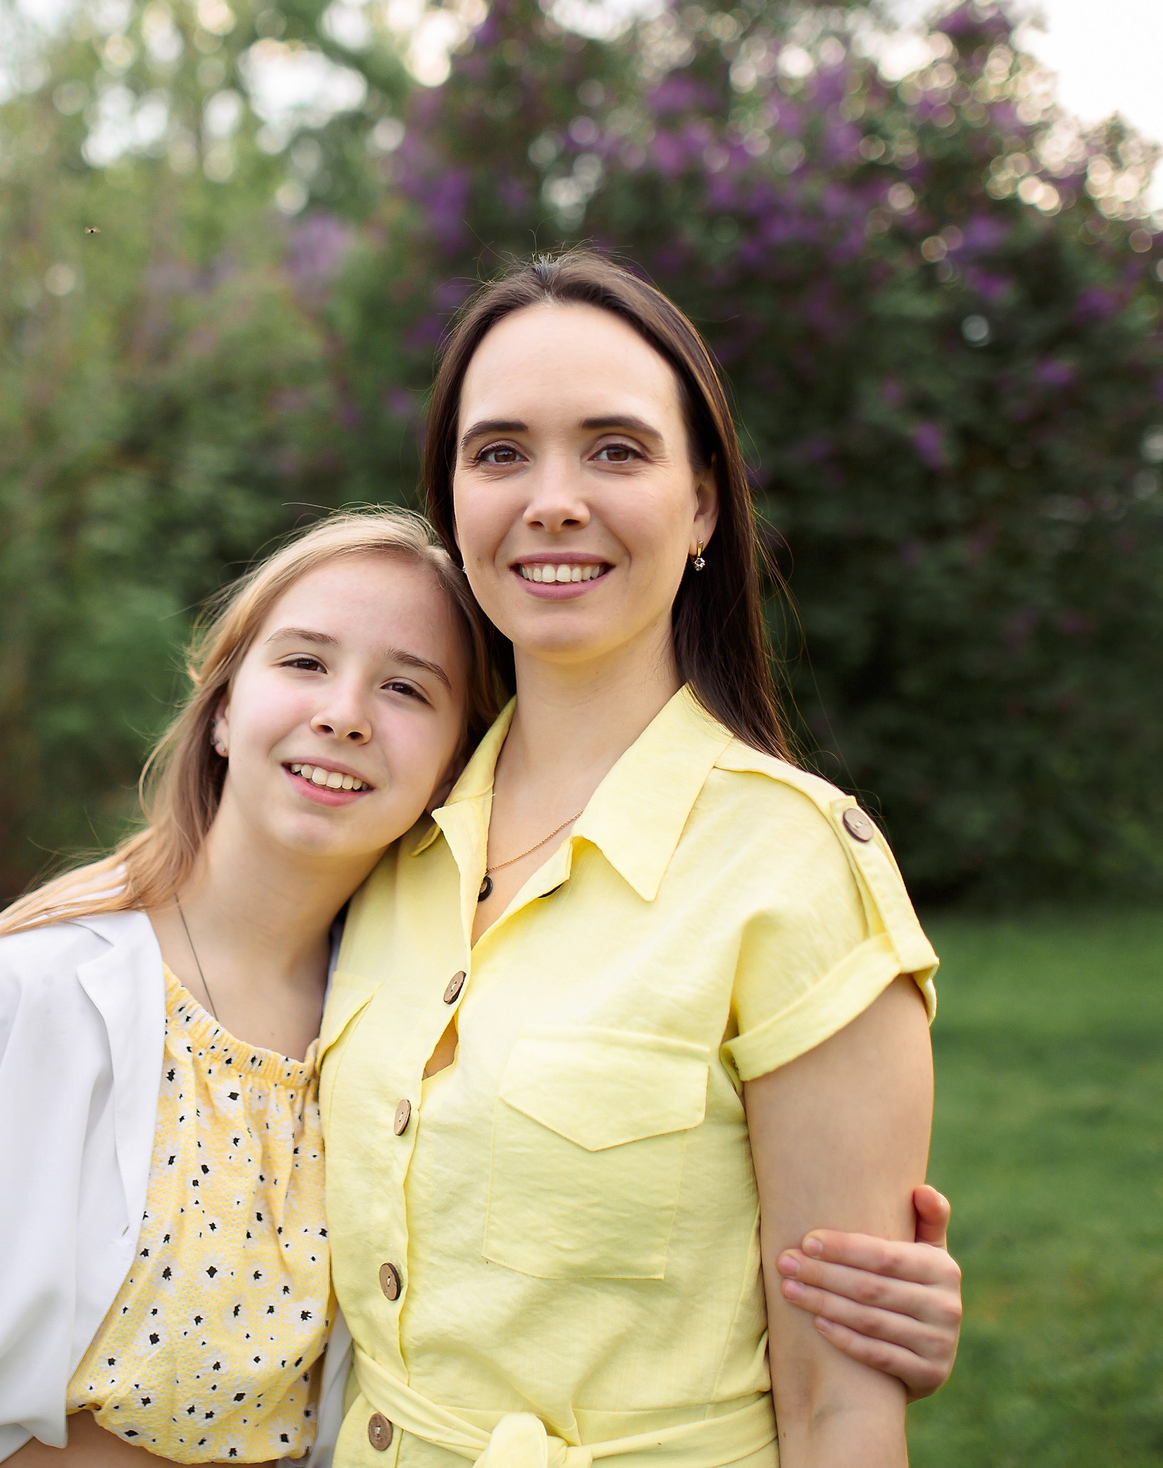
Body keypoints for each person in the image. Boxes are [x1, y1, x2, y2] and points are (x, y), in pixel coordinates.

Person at [0, 486, 959, 1468]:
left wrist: (859, 1302)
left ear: (453, 763)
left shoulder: (400, 1011)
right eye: (303, 663)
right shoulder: (18, 999)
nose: (342, 715)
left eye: (406, 688)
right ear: (223, 708)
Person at [320, 251, 950, 1468]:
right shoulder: (385, 832)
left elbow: (839, 1410)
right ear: (453, 499)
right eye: (500, 453)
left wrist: (893, 1333)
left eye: (614, 449)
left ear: (703, 504)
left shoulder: (792, 868)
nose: (552, 500)